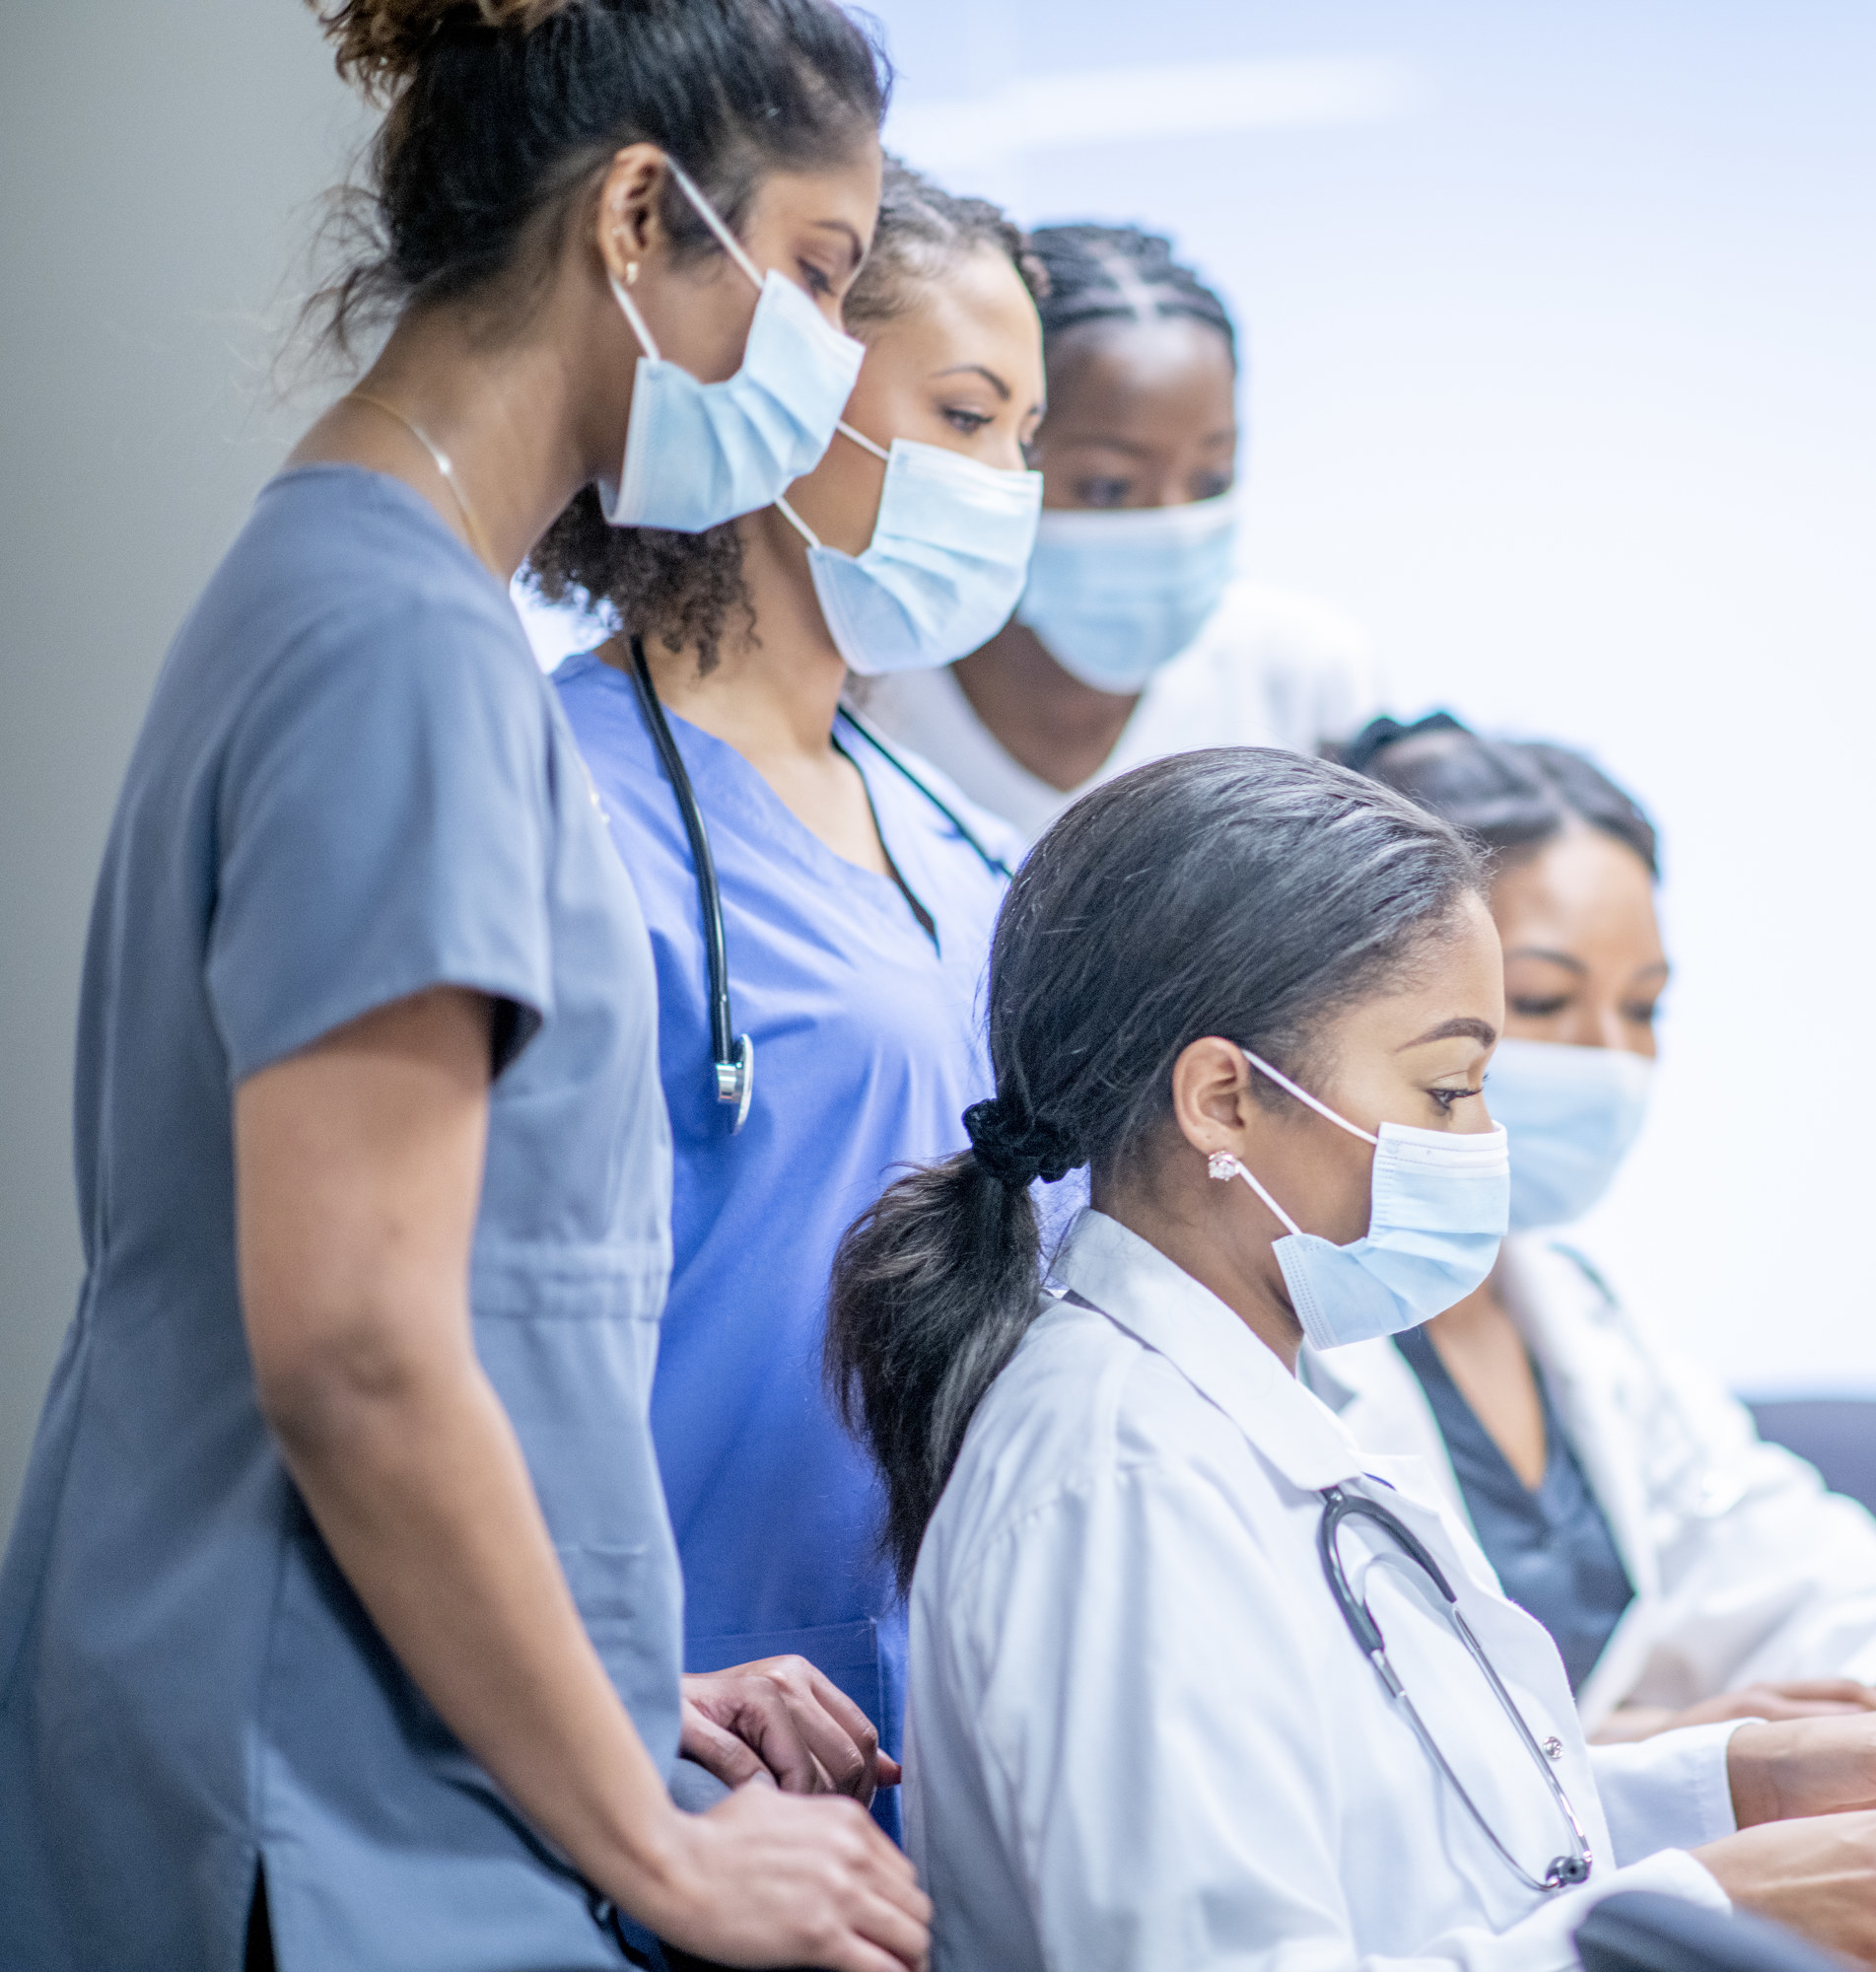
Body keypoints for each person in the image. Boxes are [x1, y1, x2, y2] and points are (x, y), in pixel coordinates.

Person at [0, 4, 932, 1967]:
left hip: (340, 1741)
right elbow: (353, 1344)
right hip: (308, 1821)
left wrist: (605, 1681)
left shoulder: (340, 584)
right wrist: (663, 1852)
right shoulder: (398, 650)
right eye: (823, 278)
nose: (831, 365)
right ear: (633, 219)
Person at [826, 748, 1876, 1971]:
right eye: (1447, 1089)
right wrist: (1711, 1908)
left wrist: (1744, 1784)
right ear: (1223, 1098)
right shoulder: (1120, 1486)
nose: (1484, 1141)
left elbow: (1436, 1845)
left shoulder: (1240, 1413)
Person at [528, 157, 1054, 1834]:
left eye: (1025, 444)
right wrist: (615, 1691)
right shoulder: (560, 796)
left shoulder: (959, 840)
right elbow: (443, 1333)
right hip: (668, 1734)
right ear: (791, 380)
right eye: (967, 418)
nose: (1006, 487)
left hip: (926, 1740)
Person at [1325, 715, 1876, 1742]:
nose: (1612, 1060)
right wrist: (1671, 1754)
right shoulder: (1282, 1339)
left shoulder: (1577, 1318)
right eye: (1541, 998)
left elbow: (1829, 1582)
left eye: (1645, 1007)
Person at [861, 224, 1382, 836]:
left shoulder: (1302, 679)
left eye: (1211, 480)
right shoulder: (869, 691)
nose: (1174, 525)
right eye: (1109, 488)